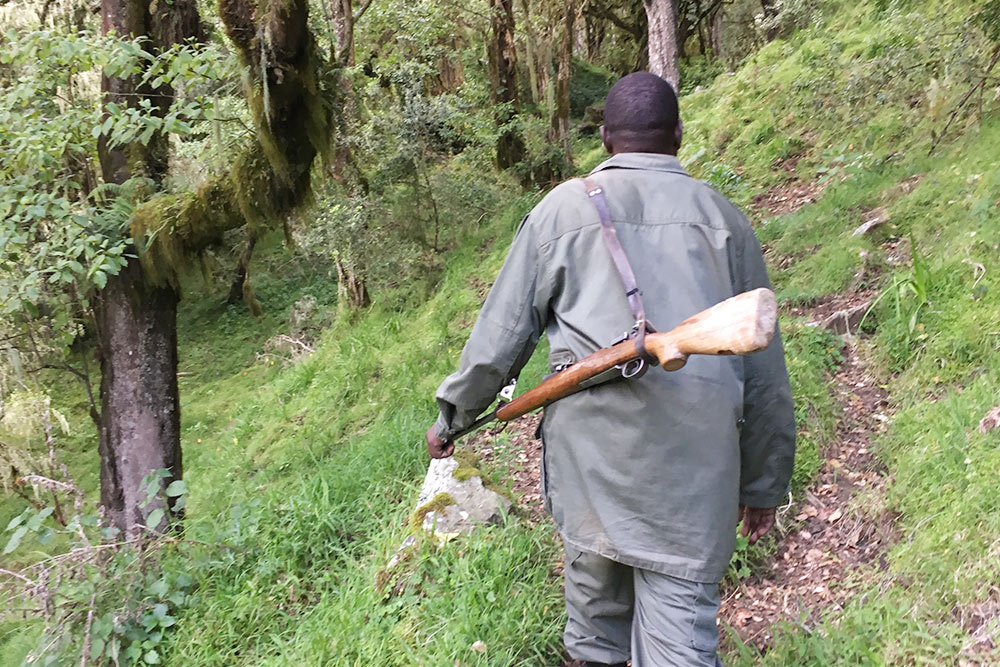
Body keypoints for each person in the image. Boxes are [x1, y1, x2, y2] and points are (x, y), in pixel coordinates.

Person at [425, 72, 795, 667]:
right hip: (693, 481)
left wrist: (452, 419)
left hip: (591, 468)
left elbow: (498, 341)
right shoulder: (726, 220)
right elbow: (764, 371)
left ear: (604, 138)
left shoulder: (561, 211)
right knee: (679, 646)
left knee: (594, 633)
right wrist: (763, 482)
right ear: (677, 134)